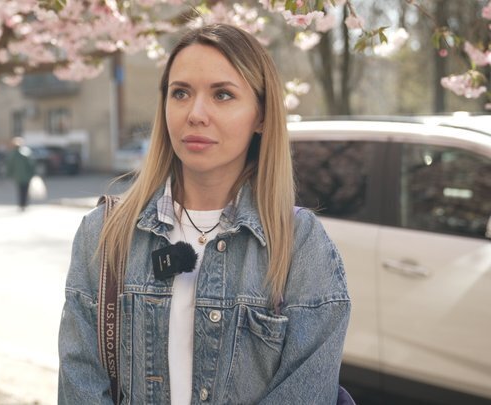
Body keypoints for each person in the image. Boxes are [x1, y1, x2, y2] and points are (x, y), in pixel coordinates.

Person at [58, 23, 351, 404]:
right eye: (181, 93)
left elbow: (307, 391)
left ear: (261, 116)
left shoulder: (299, 243)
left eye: (222, 95)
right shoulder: (104, 233)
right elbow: (80, 381)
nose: (195, 114)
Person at [5, 136, 36, 211]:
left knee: (20, 190)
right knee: (26, 190)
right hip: (26, 176)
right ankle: (24, 204)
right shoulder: (26, 152)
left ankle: (21, 204)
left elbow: (10, 165)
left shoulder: (13, 154)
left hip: (18, 176)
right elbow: (31, 164)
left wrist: (9, 174)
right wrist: (33, 173)